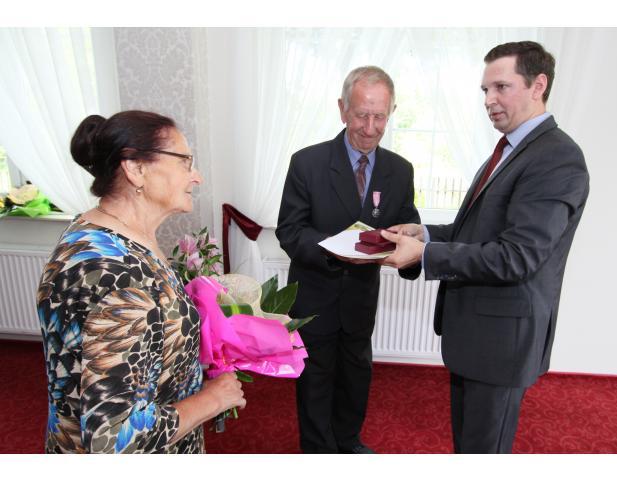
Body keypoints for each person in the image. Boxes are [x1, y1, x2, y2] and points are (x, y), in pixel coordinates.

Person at [381, 41, 590, 453]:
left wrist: (424, 256)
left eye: (501, 87)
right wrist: (425, 234)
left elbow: (517, 256)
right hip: (479, 338)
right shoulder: (512, 150)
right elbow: (478, 231)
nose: (489, 100)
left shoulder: (556, 157)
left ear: (538, 85)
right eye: (485, 90)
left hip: (502, 344)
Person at [36, 110, 246, 453]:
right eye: (185, 162)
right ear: (135, 168)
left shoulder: (109, 232)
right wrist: (213, 399)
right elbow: (114, 440)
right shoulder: (117, 275)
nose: (197, 177)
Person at [276, 66, 421, 454]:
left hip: (360, 298)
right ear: (342, 109)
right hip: (315, 295)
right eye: (361, 115)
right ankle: (319, 452)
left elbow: (407, 224)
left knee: (357, 375)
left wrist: (410, 246)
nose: (370, 128)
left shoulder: (400, 170)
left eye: (380, 117)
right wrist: (335, 249)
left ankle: (348, 441)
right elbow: (290, 231)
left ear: (391, 113)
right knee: (315, 379)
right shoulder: (306, 163)